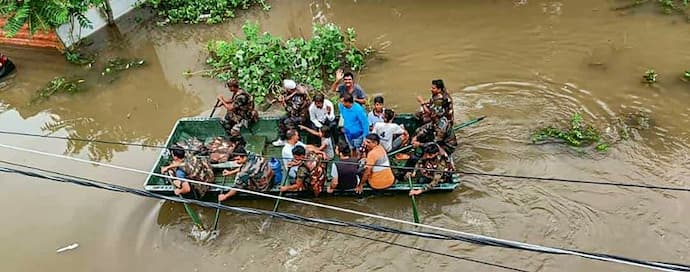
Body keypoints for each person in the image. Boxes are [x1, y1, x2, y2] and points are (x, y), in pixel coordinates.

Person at [273, 79, 310, 146]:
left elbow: (293, 111)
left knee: (288, 122)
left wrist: (284, 104)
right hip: (294, 114)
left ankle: (296, 140)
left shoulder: (298, 98)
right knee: (281, 119)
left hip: (301, 116)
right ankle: (282, 139)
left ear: (289, 89)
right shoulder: (292, 92)